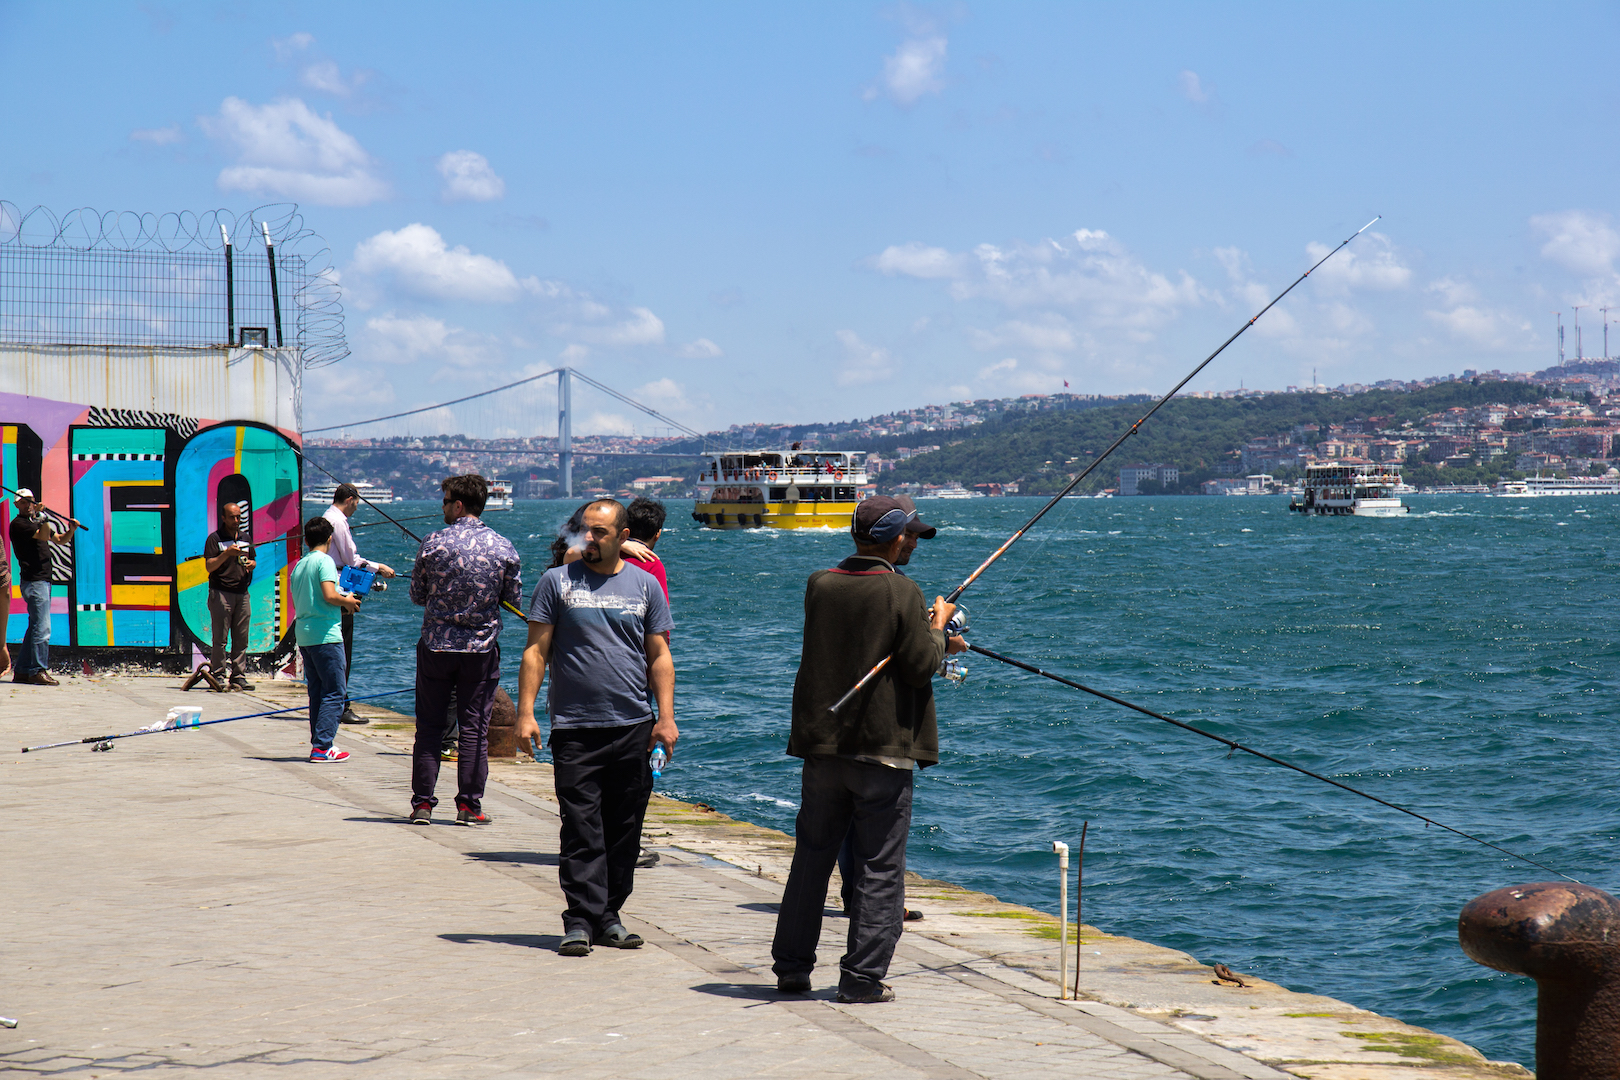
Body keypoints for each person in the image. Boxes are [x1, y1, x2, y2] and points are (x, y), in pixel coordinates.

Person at [771, 495, 966, 1003]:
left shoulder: (821, 584)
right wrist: (940, 630)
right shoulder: (901, 591)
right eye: (912, 537)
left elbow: (860, 638)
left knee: (811, 860)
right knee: (879, 865)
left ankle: (792, 968)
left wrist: (919, 630)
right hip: (882, 752)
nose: (915, 545)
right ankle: (861, 978)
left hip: (823, 747)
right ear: (896, 538)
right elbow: (921, 665)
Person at [517, 498, 676, 958]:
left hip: (633, 724)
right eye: (585, 530)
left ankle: (610, 914)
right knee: (580, 826)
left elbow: (659, 656)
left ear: (623, 537)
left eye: (601, 532)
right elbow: (535, 652)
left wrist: (665, 718)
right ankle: (580, 920)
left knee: (624, 828)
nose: (590, 538)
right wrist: (526, 713)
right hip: (574, 726)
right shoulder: (556, 582)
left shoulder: (646, 586)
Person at [408, 475, 522, 826]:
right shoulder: (504, 548)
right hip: (482, 651)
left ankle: (423, 805)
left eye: (445, 501)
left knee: (429, 727)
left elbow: (417, 595)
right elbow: (512, 600)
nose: (442, 507)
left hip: (436, 647)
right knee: (474, 728)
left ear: (458, 505)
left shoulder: (433, 543)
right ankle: (469, 807)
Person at [290, 516, 362, 762]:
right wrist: (349, 602)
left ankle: (318, 744)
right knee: (334, 691)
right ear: (330, 539)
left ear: (306, 539)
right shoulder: (325, 561)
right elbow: (330, 595)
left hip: (305, 634)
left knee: (317, 691)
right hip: (326, 634)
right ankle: (322, 746)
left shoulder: (299, 565)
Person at [323, 483, 396, 724]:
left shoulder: (327, 517)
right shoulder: (339, 521)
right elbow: (351, 560)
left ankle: (332, 701)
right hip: (340, 588)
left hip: (330, 584)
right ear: (351, 499)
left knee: (333, 646)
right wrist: (380, 567)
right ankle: (342, 705)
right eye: (357, 503)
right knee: (344, 648)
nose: (356, 508)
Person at [8, 488, 79, 686]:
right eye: (23, 502)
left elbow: (59, 540)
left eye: (30, 501)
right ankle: (37, 670)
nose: (28, 504)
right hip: (34, 581)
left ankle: (22, 671)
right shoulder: (19, 524)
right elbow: (43, 536)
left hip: (43, 580)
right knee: (43, 627)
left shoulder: (35, 521)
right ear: (17, 505)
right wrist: (42, 516)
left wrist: (71, 530)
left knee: (35, 627)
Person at [203, 502, 258, 691]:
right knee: (220, 638)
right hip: (221, 592)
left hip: (242, 592)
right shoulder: (215, 539)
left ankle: (238, 676)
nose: (237, 521)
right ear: (223, 518)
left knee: (241, 638)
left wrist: (252, 564)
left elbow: (252, 558)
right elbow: (210, 566)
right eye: (233, 517)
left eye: (239, 517)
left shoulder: (245, 538)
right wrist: (226, 554)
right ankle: (218, 674)